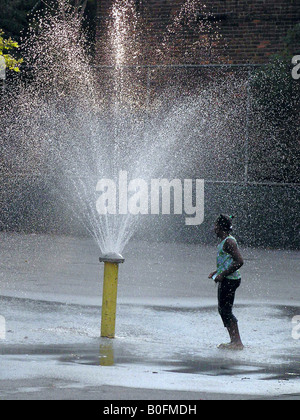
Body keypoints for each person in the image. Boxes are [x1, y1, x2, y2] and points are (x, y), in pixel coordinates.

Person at [209, 214, 244, 350]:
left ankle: (237, 342)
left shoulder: (229, 242)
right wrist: (217, 272)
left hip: (230, 280)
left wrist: (222, 274)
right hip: (227, 279)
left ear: (221, 227)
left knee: (226, 310)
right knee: (223, 310)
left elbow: (239, 261)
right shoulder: (225, 241)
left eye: (215, 226)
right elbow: (227, 262)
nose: (214, 229)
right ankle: (233, 341)